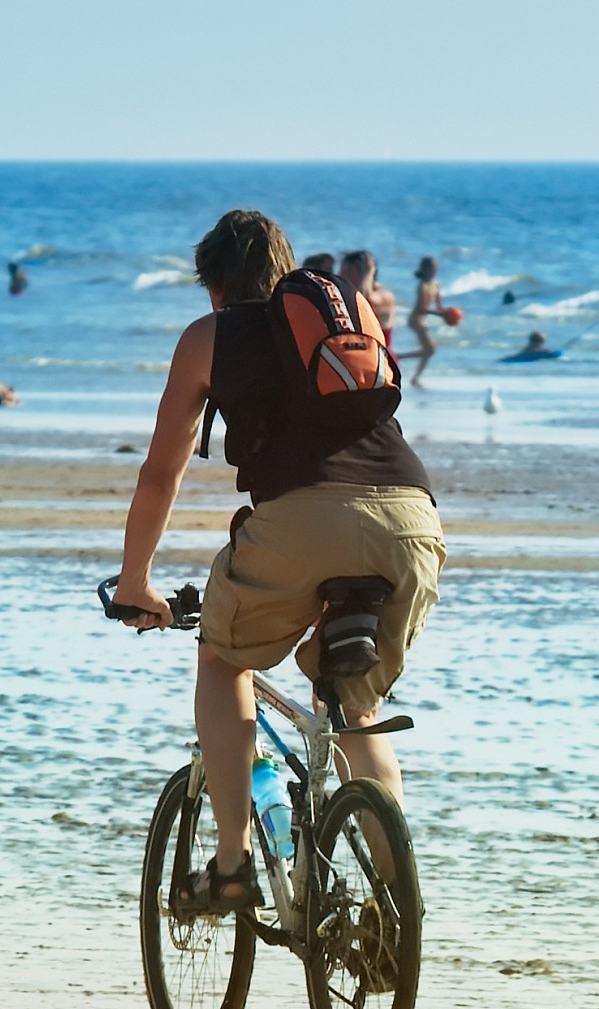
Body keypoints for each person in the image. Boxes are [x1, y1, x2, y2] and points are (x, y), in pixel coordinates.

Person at [111, 208, 444, 910]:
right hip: (412, 520)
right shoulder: (348, 324)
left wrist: (137, 580)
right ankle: (396, 913)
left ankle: (232, 865)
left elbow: (159, 473)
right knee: (358, 709)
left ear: (213, 287)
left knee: (223, 661)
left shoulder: (211, 335)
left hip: (300, 522)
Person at [402, 256, 445, 387]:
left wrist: (448, 315)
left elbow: (439, 307)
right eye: (433, 267)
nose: (435, 270)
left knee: (429, 350)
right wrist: (437, 314)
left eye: (436, 267)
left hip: (422, 320)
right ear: (426, 269)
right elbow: (420, 308)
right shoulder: (422, 285)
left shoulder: (437, 284)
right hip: (415, 319)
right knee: (430, 349)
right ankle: (398, 358)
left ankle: (415, 377)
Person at [339, 250, 395, 350]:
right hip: (361, 353)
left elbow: (365, 303)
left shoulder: (385, 295)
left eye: (346, 270)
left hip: (382, 358)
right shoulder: (349, 292)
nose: (340, 275)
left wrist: (368, 273)